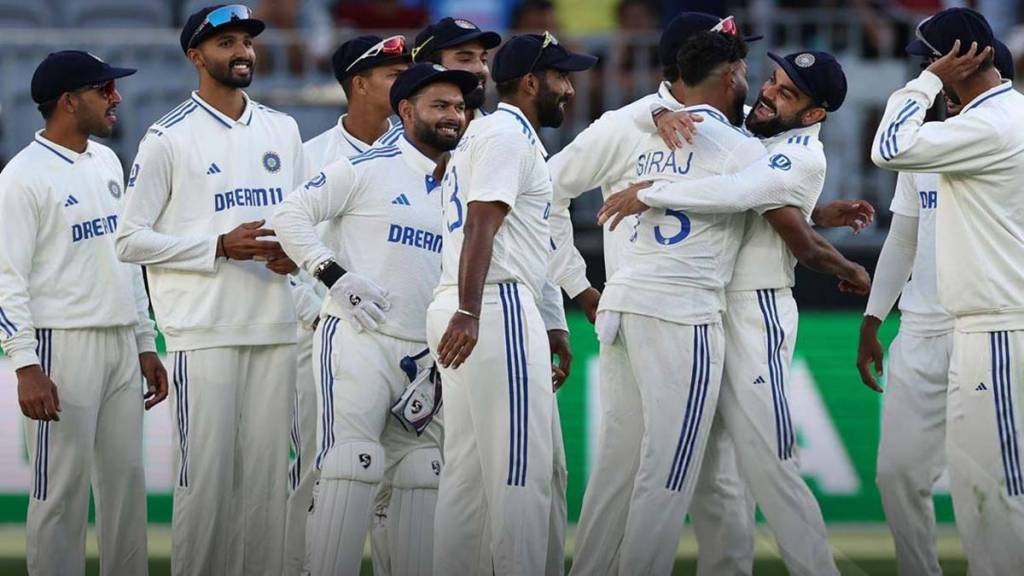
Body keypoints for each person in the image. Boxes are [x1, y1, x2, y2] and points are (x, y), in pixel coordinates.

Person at [601, 48, 874, 576]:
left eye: (787, 93)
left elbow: (741, 194)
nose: (768, 93)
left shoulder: (802, 154)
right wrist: (819, 212)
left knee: (772, 465)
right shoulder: (761, 143)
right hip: (711, 306)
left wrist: (652, 192)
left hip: (757, 311)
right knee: (713, 473)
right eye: (772, 81)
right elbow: (765, 201)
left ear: (815, 115)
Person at [551, 14, 762, 576]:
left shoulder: (622, 124)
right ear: (730, 72)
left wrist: (583, 284)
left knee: (621, 468)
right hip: (684, 313)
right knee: (668, 470)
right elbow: (773, 188)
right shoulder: (734, 144)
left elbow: (538, 193)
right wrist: (576, 281)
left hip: (624, 307)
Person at [114, 5, 305, 575]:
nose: (241, 52)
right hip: (205, 332)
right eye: (226, 43)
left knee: (270, 485)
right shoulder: (166, 136)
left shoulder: (283, 129)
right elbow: (128, 240)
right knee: (205, 482)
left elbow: (301, 224)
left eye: (246, 41)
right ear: (196, 57)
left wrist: (292, 253)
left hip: (276, 325)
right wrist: (218, 246)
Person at [273, 62, 478, 576]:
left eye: (459, 107)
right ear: (406, 110)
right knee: (350, 467)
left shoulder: (466, 179)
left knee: (421, 475)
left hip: (427, 353)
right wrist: (334, 276)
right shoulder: (367, 165)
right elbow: (288, 216)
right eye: (440, 105)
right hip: (358, 340)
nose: (453, 116)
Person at [427, 32, 596, 575]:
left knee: (468, 479)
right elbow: (484, 223)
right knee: (521, 473)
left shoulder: (491, 135)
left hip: (478, 301)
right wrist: (473, 310)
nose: (568, 89)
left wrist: (553, 324)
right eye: (561, 77)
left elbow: (525, 236)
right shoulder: (506, 135)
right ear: (529, 82)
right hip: (491, 306)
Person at [871, 7, 1024, 575]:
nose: (928, 71)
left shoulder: (994, 123)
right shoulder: (990, 120)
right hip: (975, 324)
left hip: (999, 325)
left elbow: (887, 148)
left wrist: (927, 83)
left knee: (1000, 489)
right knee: (977, 490)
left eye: (934, 59)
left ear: (964, 58)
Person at [0, 50, 165, 576]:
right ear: (69, 102)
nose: (116, 98)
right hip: (60, 347)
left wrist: (143, 340)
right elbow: (7, 278)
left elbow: (126, 259)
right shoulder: (21, 176)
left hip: (120, 342)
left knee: (125, 483)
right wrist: (25, 365)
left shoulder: (108, 161)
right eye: (103, 90)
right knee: (60, 492)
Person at [284, 33, 411, 576]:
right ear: (359, 84)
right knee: (321, 469)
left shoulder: (423, 150)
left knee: (406, 476)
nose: (405, 81)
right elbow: (281, 249)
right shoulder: (310, 156)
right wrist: (318, 308)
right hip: (326, 338)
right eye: (391, 74)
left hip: (405, 341)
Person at [410, 16, 502, 122]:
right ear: (428, 69)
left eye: (483, 59)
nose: (480, 68)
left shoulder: (504, 132)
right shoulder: (400, 138)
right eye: (465, 59)